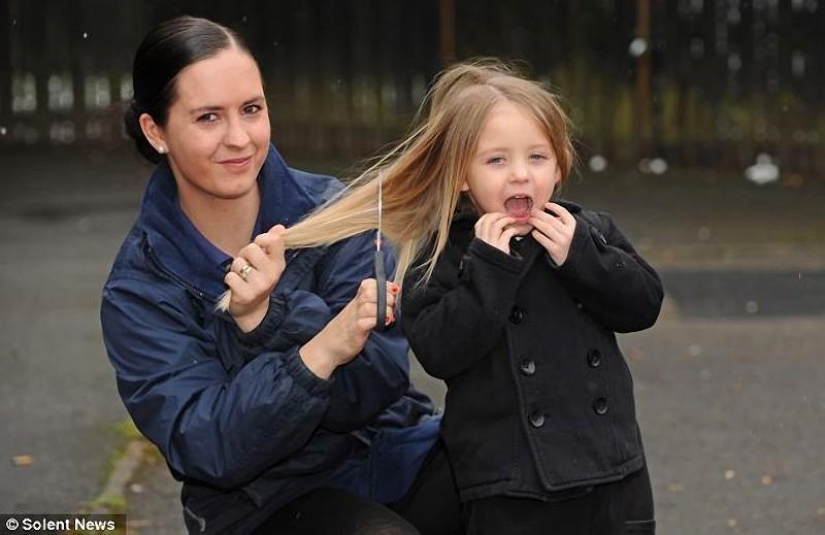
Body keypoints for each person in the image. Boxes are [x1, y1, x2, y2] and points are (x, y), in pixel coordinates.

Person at [100, 16, 462, 535]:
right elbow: (214, 448)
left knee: (532, 481)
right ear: (156, 131)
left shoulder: (333, 211)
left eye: (251, 109)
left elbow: (379, 383)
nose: (238, 139)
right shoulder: (139, 288)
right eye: (208, 117)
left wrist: (277, 321)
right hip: (262, 502)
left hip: (390, 453)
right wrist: (317, 350)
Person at [267, 60, 663, 533]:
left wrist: (582, 257)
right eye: (497, 161)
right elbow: (441, 351)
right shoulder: (442, 254)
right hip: (509, 487)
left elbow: (644, 304)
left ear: (560, 165)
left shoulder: (586, 232)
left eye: (537, 157)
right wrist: (490, 270)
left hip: (613, 472)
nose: (520, 175)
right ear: (460, 176)